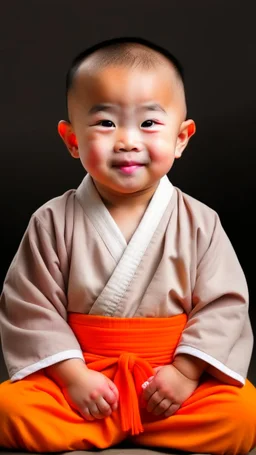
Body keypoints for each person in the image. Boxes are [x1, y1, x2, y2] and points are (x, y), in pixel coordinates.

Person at [0, 36, 255, 454]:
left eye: (149, 124)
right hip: (83, 380)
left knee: (243, 414)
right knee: (11, 409)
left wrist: (186, 373)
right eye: (106, 123)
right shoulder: (51, 221)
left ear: (181, 137)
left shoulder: (200, 223)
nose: (127, 141)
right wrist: (73, 377)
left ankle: (128, 429)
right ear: (72, 140)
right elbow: (30, 307)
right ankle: (98, 422)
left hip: (168, 384)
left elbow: (224, 306)